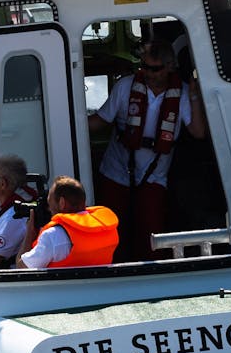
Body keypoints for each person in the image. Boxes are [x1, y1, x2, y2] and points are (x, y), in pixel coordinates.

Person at [87, 40, 208, 262]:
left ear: (170, 66)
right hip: (115, 172)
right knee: (110, 233)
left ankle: (151, 277)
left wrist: (193, 94)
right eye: (144, 67)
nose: (149, 73)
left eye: (155, 68)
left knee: (151, 235)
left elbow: (198, 132)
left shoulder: (180, 94)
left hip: (154, 177)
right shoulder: (125, 87)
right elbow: (99, 121)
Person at [18, 176, 118, 268]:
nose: (48, 209)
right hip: (101, 286)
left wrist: (29, 233)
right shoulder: (106, 230)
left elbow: (21, 269)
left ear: (62, 202)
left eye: (49, 203)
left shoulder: (52, 236)